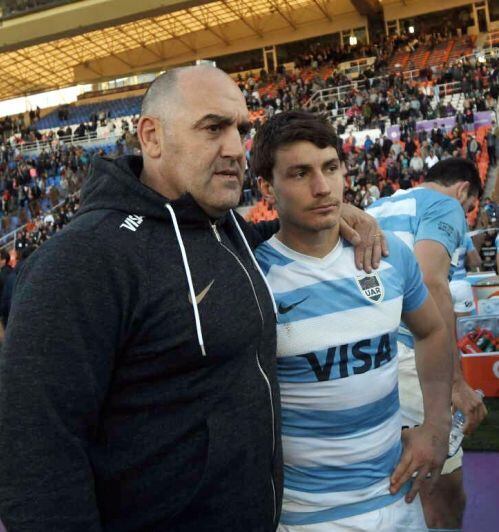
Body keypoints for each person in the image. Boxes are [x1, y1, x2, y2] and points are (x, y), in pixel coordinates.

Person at [0, 66, 383, 531]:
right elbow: (34, 449)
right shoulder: (82, 259)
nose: (235, 148)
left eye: (241, 129)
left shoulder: (225, 231)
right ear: (152, 136)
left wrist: (334, 210)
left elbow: (276, 231)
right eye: (212, 128)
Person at [251, 111, 452, 531]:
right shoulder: (253, 277)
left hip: (399, 500)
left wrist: (436, 426)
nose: (323, 188)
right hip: (306, 517)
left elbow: (432, 331)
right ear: (267, 187)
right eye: (300, 173)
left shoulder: (389, 254)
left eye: (330, 168)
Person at [368, 158, 488, 529]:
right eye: (470, 208)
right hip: (410, 357)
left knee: (393, 481)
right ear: (464, 190)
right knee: (445, 496)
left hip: (369, 357)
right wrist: (455, 382)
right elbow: (431, 280)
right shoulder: (446, 205)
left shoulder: (378, 206)